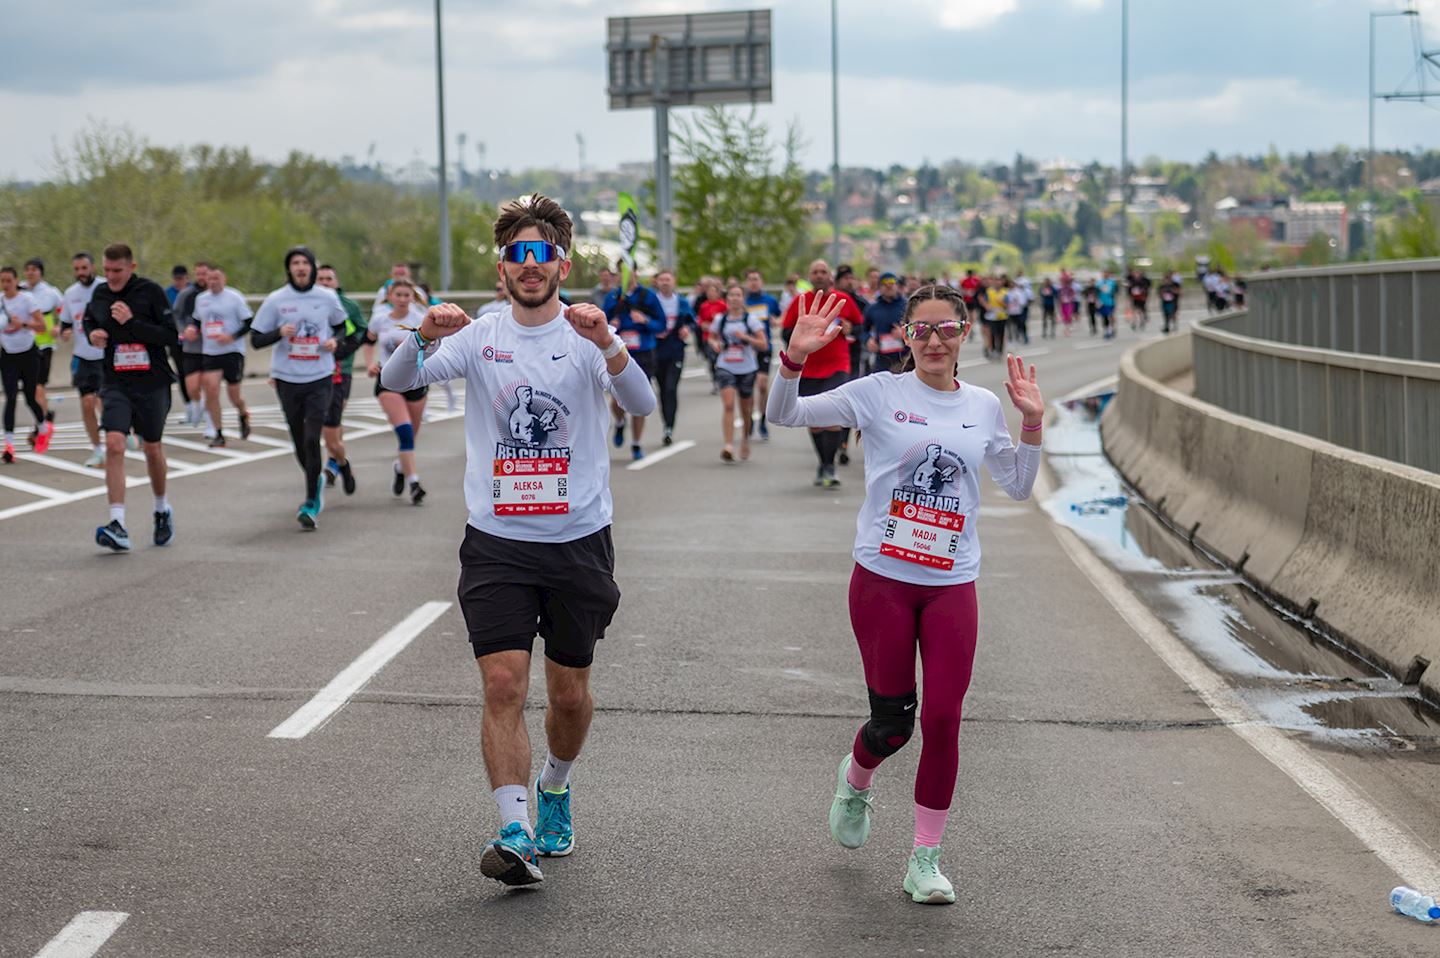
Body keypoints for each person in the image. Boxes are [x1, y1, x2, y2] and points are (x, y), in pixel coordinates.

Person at [379, 193, 656, 888]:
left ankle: (556, 786)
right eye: (516, 255)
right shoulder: (479, 336)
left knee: (568, 694)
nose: (529, 266)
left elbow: (643, 404)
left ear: (561, 262)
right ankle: (514, 828)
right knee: (503, 682)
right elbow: (393, 381)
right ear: (501, 267)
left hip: (578, 540)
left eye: (541, 254)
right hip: (498, 540)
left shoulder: (587, 336)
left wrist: (610, 344)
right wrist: (422, 334)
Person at [767, 284, 1043, 906]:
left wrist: (1031, 421)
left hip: (951, 585)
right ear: (904, 337)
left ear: (965, 332)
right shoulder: (877, 394)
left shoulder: (981, 404)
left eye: (947, 329)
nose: (935, 341)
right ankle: (856, 778)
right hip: (883, 583)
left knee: (944, 720)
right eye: (922, 330)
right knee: (894, 726)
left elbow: (1020, 486)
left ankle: (925, 859)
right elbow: (784, 416)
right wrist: (795, 359)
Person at [83, 244, 178, 551]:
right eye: (106, 270)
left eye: (117, 271)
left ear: (131, 266)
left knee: (152, 449)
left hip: (152, 382)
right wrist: (93, 334)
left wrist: (132, 324)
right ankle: (118, 523)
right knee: (114, 444)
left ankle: (162, 508)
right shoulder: (99, 294)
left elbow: (169, 335)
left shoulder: (150, 292)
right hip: (116, 382)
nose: (110, 277)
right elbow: (90, 321)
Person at [250, 246, 348, 529]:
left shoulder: (327, 297)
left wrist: (335, 342)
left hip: (320, 376)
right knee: (298, 441)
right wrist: (278, 332)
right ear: (289, 269)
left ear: (312, 268)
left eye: (305, 262)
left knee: (311, 437)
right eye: (295, 263)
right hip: (287, 378)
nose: (301, 267)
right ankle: (318, 476)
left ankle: (310, 501)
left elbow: (344, 328)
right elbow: (256, 339)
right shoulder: (277, 300)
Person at [779, 259, 862, 488]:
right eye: (814, 272)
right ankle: (823, 462)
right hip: (808, 367)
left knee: (833, 416)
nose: (819, 275)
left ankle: (830, 465)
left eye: (823, 271)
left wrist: (850, 329)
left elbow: (860, 326)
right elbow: (786, 331)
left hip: (837, 364)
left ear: (830, 276)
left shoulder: (843, 300)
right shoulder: (800, 301)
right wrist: (802, 332)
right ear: (809, 276)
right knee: (814, 421)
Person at [366, 278, 429, 504]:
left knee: (411, 435)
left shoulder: (421, 319)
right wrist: (369, 363)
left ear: (412, 297)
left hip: (416, 380)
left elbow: (433, 344)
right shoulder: (380, 320)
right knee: (403, 432)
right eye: (398, 295)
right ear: (390, 297)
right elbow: (367, 340)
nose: (402, 299)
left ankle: (400, 466)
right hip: (388, 381)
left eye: (406, 295)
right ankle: (414, 482)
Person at [602, 266, 666, 460]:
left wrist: (645, 320)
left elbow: (661, 325)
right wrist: (611, 325)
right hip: (619, 352)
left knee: (638, 397)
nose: (625, 275)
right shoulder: (613, 297)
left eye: (629, 271)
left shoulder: (648, 296)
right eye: (621, 272)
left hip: (644, 352)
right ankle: (620, 422)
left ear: (636, 273)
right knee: (616, 402)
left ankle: (637, 443)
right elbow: (602, 325)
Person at [315, 264, 367, 495]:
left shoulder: (348, 306)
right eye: (321, 279)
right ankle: (337, 460)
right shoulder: (310, 304)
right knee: (329, 428)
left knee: (333, 421)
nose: (325, 282)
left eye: (329, 279)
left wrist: (343, 349)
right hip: (315, 371)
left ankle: (335, 460)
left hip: (340, 370)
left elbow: (361, 332)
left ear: (336, 282)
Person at [190, 265, 253, 448]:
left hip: (232, 351)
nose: (213, 281)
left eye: (217, 278)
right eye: (210, 278)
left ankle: (242, 412)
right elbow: (196, 320)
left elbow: (249, 322)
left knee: (234, 396)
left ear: (224, 279)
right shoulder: (201, 299)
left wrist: (231, 336)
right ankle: (218, 433)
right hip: (211, 351)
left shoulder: (234, 297)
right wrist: (192, 329)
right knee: (211, 390)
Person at [58, 253, 108, 467]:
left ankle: (121, 435)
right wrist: (65, 333)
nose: (81, 273)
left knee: (106, 402)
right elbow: (65, 323)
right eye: (77, 269)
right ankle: (98, 449)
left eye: (84, 268)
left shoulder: (105, 288)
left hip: (106, 356)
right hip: (83, 357)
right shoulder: (70, 293)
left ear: (92, 267)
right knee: (87, 404)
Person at [709, 284, 767, 462]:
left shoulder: (751, 320)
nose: (734, 298)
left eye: (738, 295)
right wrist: (715, 344)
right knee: (728, 405)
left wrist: (746, 338)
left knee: (745, 409)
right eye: (731, 295)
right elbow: (711, 337)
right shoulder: (720, 319)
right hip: (725, 366)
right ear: (727, 300)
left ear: (743, 299)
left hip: (747, 368)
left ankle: (745, 440)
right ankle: (728, 445)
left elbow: (763, 344)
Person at [1, 267, 49, 462]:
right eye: (2, 281)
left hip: (28, 353)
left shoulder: (26, 299)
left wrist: (24, 325)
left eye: (8, 281)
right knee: (10, 397)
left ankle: (43, 425)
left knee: (30, 397)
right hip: (7, 355)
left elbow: (42, 326)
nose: (5, 284)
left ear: (16, 280)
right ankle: (9, 446)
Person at [21, 259, 60, 443]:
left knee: (38, 387)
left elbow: (65, 309)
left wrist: (59, 326)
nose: (30, 273)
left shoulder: (50, 292)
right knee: (29, 390)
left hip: (44, 345)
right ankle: (45, 416)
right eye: (27, 270)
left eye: (34, 270)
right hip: (23, 346)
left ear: (41, 272)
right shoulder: (19, 289)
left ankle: (40, 428)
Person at [652, 268, 693, 446]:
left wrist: (687, 329)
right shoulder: (652, 301)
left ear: (674, 282)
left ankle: (669, 427)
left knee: (670, 388)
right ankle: (666, 423)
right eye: (661, 280)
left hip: (676, 350)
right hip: (657, 351)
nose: (665, 282)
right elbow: (645, 320)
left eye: (668, 279)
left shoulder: (682, 302)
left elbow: (692, 320)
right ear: (657, 283)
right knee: (662, 390)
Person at [171, 262, 210, 430]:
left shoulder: (217, 294)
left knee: (210, 385)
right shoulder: (186, 294)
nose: (201, 278)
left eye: (205, 274)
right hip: (190, 346)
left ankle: (210, 422)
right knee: (191, 385)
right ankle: (195, 406)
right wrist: (184, 331)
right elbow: (176, 315)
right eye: (199, 274)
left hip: (211, 348)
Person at [743, 268, 781, 441]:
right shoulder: (743, 301)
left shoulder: (770, 301)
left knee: (762, 384)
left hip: (764, 347)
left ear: (762, 282)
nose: (753, 282)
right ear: (746, 283)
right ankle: (749, 420)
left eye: (756, 279)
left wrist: (776, 321)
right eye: (750, 279)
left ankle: (763, 421)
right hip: (746, 349)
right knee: (748, 387)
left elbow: (782, 317)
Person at [863, 272, 908, 374]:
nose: (889, 286)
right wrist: (868, 340)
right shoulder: (872, 308)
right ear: (879, 288)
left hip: (905, 358)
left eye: (892, 283)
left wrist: (904, 334)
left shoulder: (908, 305)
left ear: (897, 286)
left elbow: (919, 329)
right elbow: (863, 330)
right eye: (885, 284)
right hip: (882, 360)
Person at [1096, 270, 1118, 339]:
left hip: (1110, 302)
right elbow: (1096, 292)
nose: (1105, 275)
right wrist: (1097, 301)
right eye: (1103, 274)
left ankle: (1111, 329)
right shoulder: (1099, 283)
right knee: (1104, 317)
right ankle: (1106, 330)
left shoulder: (1112, 282)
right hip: (1102, 302)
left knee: (1110, 316)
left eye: (1106, 273)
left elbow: (1115, 291)